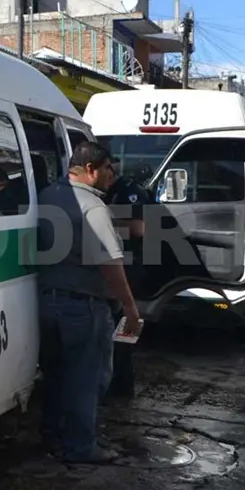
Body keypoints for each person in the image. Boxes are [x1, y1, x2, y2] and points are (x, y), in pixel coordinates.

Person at [36, 141, 143, 465]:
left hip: (47, 302)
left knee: (55, 376)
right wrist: (130, 307)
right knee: (88, 379)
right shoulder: (94, 207)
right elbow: (110, 264)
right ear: (91, 169)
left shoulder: (47, 196)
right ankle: (81, 446)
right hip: (84, 308)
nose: (113, 175)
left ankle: (53, 436)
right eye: (109, 168)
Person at [100, 166, 151, 401]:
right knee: (113, 329)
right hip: (114, 264)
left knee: (125, 327)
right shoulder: (103, 193)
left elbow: (138, 229)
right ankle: (116, 381)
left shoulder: (130, 191)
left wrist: (102, 224)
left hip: (131, 267)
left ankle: (123, 384)